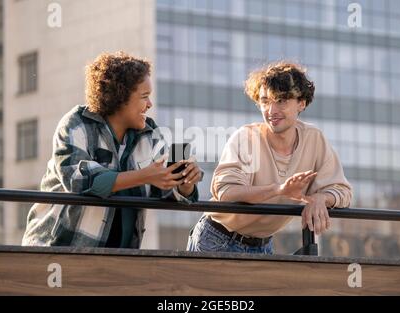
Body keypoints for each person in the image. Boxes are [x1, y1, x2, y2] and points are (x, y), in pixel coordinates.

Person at [22, 51, 202, 248]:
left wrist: (185, 182)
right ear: (120, 96)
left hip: (120, 256)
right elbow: (80, 182)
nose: (150, 104)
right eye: (144, 97)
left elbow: (166, 191)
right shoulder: (76, 124)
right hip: (58, 248)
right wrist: (144, 175)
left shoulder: (150, 134)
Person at [187, 61, 352, 254]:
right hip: (217, 238)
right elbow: (226, 191)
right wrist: (279, 190)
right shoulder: (246, 138)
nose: (272, 111)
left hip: (263, 244)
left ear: (302, 103)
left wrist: (320, 198)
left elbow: (342, 191)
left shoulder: (314, 139)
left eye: (281, 100)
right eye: (265, 101)